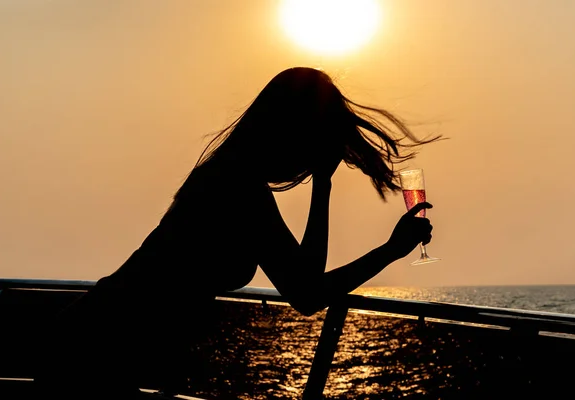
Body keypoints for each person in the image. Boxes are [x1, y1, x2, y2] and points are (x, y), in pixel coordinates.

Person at [34, 67, 438, 398]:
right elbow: (307, 293)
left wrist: (323, 184)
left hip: (93, 345)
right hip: (93, 353)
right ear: (289, 132)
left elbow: (304, 281)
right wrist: (388, 249)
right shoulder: (239, 188)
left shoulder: (229, 176)